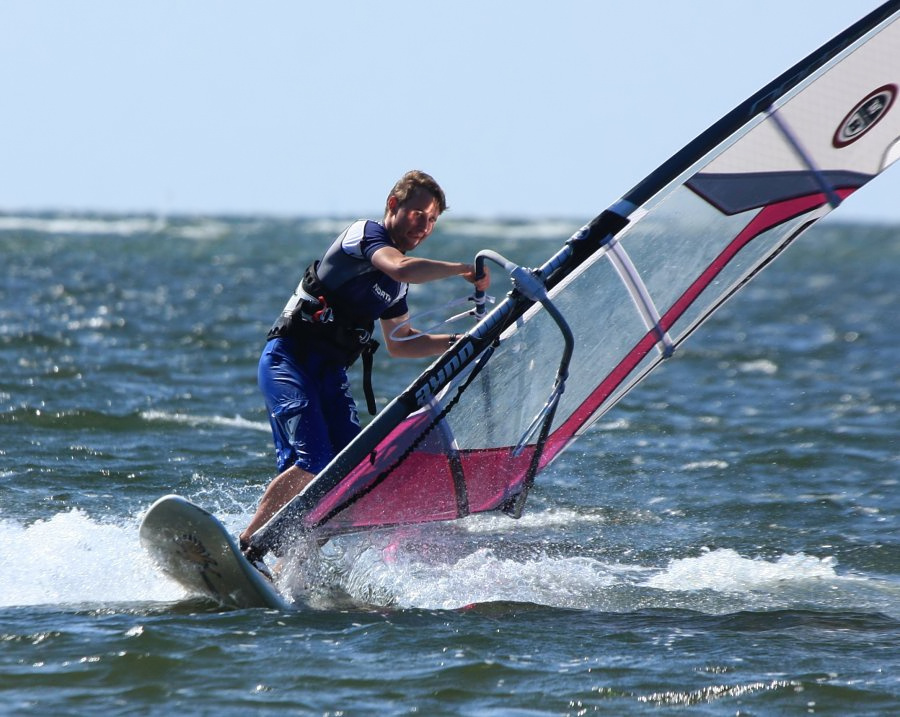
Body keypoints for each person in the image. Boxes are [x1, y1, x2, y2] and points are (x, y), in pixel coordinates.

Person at [240, 170, 489, 567]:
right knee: (313, 462)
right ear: (393, 205)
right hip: (290, 360)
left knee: (348, 473)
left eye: (432, 221)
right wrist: (462, 269)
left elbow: (401, 342)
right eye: (418, 214)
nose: (424, 227)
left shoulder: (395, 289)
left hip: (329, 376)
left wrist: (463, 343)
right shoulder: (364, 236)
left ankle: (290, 567)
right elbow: (402, 267)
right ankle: (248, 546)